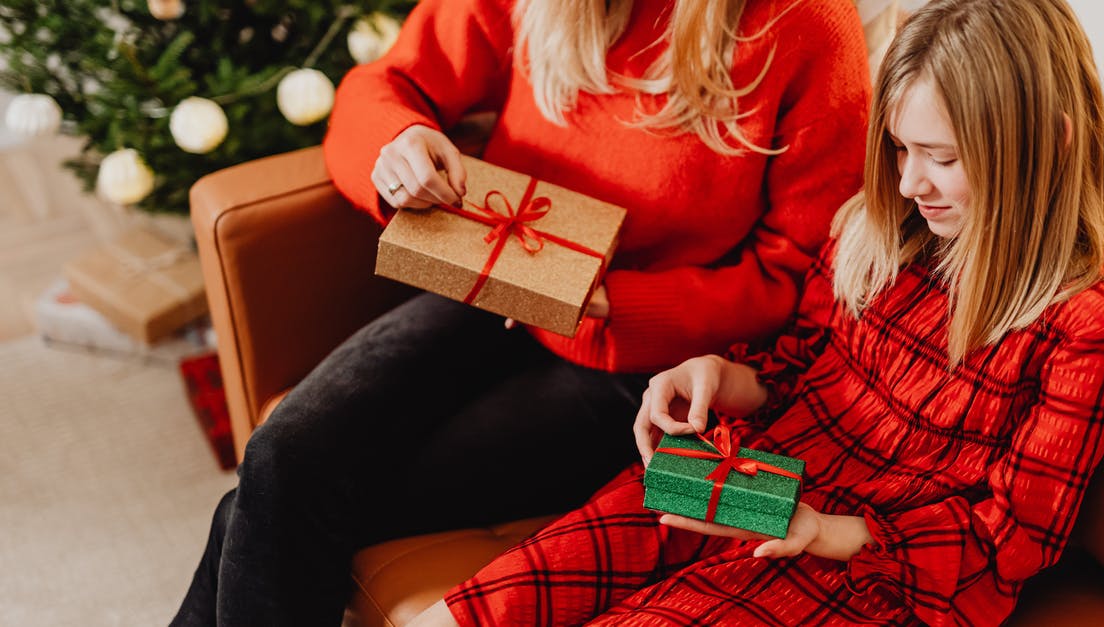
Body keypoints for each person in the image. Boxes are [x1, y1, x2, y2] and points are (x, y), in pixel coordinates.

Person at [411, 0, 1104, 624]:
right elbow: (797, 367)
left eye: (941, 156)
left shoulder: (1089, 317)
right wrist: (719, 376)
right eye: (898, 149)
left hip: (875, 559)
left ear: (1048, 141)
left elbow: (1014, 535)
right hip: (766, 469)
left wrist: (826, 530)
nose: (910, 180)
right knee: (514, 585)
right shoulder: (882, 228)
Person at [170, 0, 871, 624]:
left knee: (278, 505)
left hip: (646, 366)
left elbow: (799, 275)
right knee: (283, 457)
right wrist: (396, 145)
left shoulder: (804, 21)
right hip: (495, 287)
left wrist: (614, 301)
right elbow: (383, 86)